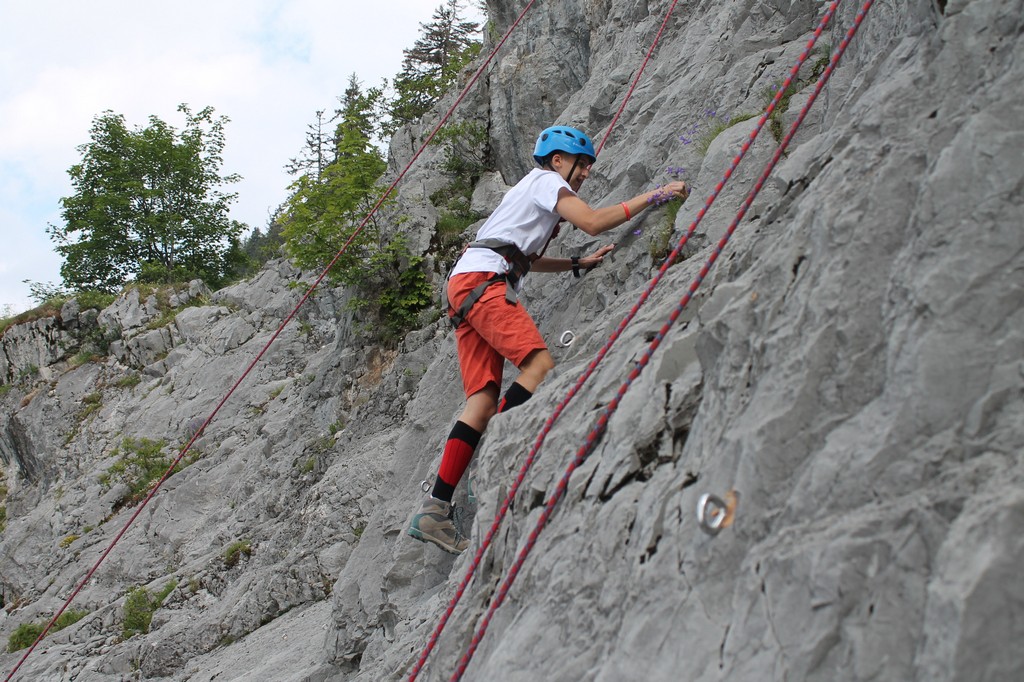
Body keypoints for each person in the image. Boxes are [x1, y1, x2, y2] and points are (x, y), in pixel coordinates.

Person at [407, 125, 689, 554]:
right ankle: (498, 454)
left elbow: (524, 258)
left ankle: (435, 508)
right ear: (558, 160)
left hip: (468, 283)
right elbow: (593, 222)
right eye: (582, 164)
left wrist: (575, 263)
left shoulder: (530, 192)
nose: (586, 173)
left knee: (481, 401)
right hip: (485, 281)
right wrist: (655, 196)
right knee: (539, 367)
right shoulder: (547, 182)